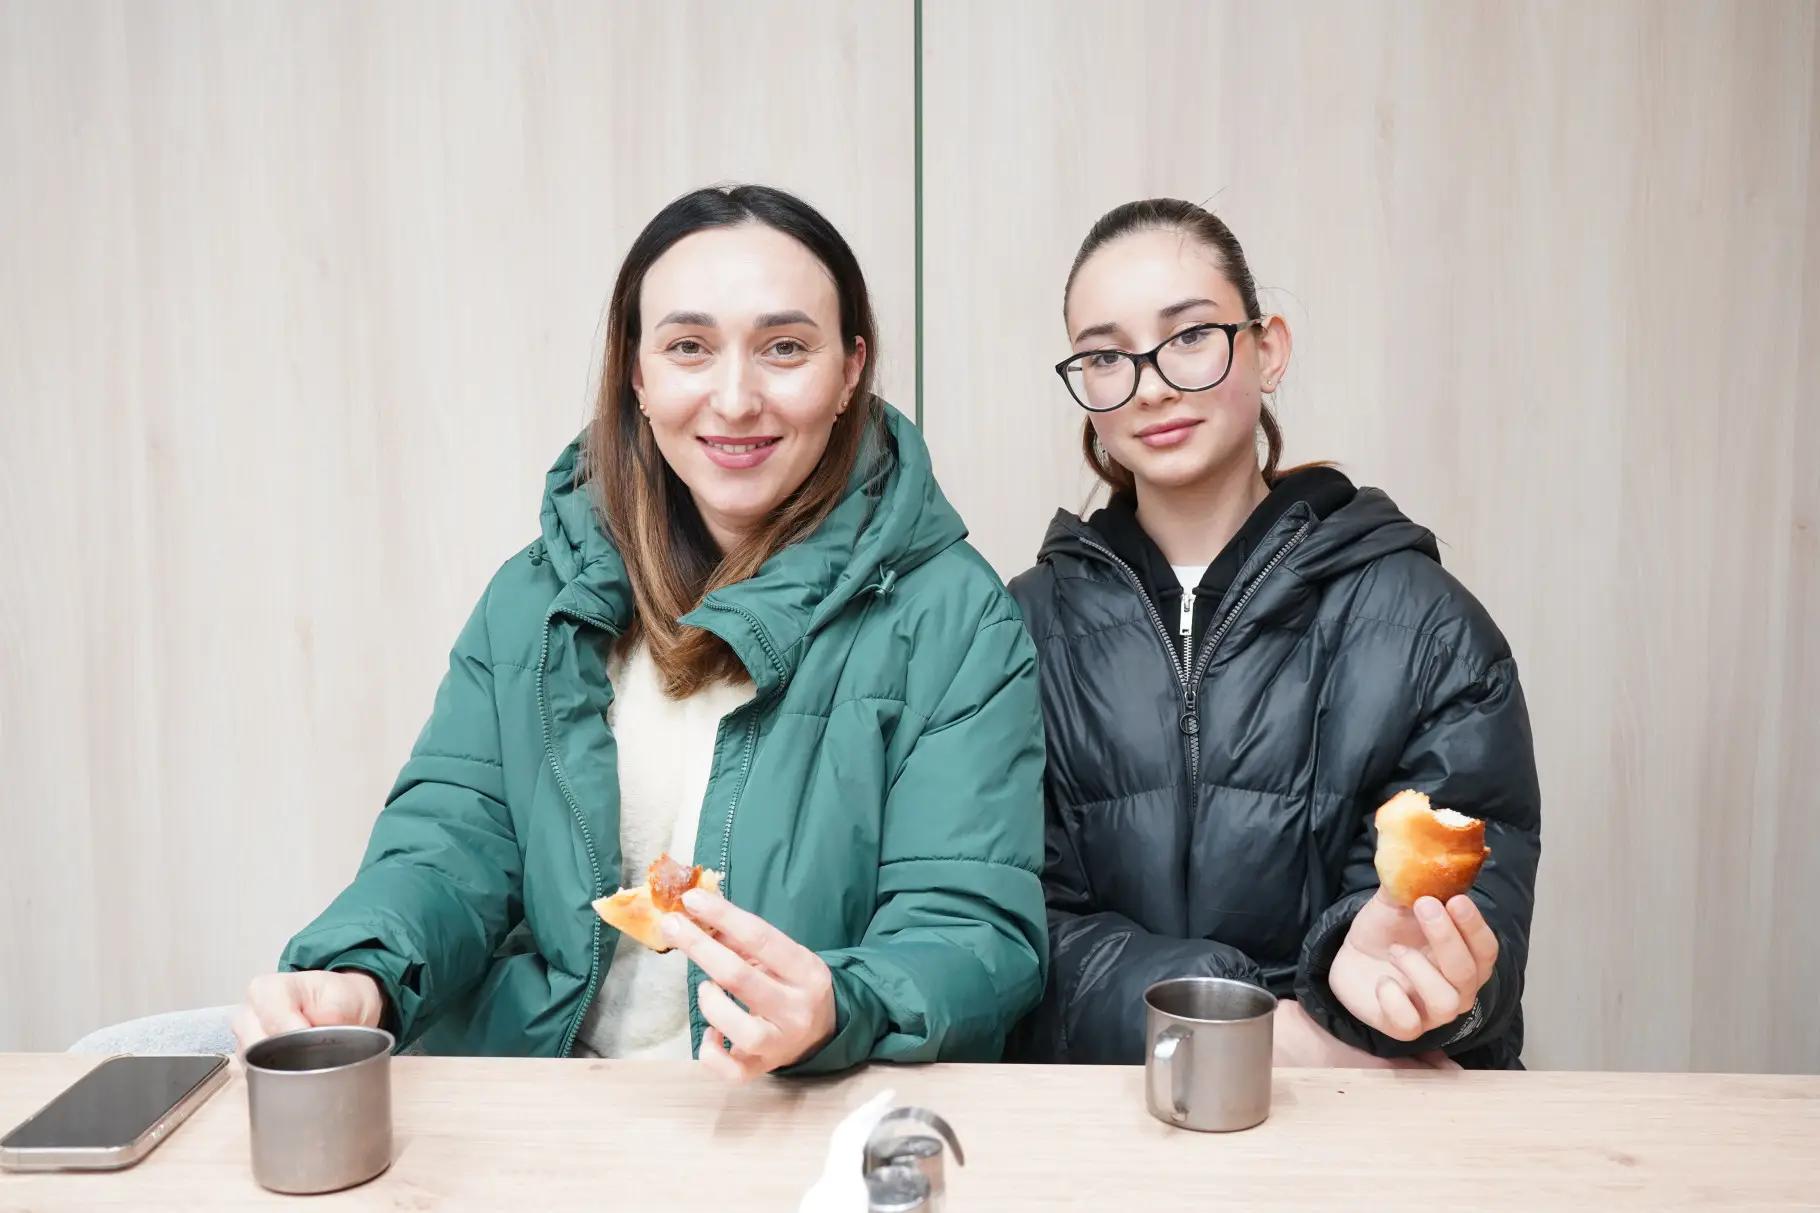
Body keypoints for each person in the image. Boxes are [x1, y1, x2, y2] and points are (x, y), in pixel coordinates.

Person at [229, 185, 1047, 1079]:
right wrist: (360, 970)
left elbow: (972, 933)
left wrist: (839, 1006)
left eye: (784, 347)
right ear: (638, 374)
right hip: (547, 1100)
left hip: (793, 1110)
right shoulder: (537, 596)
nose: (735, 399)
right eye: (689, 347)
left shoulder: (954, 618)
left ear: (851, 370)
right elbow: (449, 843)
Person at [1007, 199, 1540, 1069]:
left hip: (1362, 1119)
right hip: (1110, 1117)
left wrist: (1402, 984)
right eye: (1106, 356)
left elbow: (1473, 919)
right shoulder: (1022, 629)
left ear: (1269, 349)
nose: (1150, 385)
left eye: (1189, 336)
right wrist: (1247, 1023)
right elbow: (1013, 929)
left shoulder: (1427, 626)